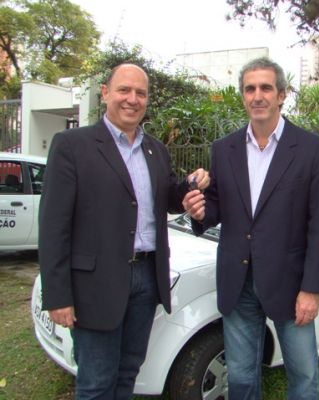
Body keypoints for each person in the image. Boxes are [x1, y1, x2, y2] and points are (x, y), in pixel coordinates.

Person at [39, 62, 209, 400]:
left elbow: (168, 199)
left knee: (129, 371)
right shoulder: (72, 145)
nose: (132, 99)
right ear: (105, 93)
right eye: (124, 90)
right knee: (96, 382)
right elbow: (53, 225)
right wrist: (57, 296)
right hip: (96, 283)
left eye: (140, 93)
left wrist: (190, 186)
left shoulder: (155, 149)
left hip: (147, 278)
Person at [183, 57, 319, 400]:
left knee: (304, 377)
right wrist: (198, 210)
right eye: (250, 89)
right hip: (238, 284)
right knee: (240, 377)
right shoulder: (224, 149)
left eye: (266, 87)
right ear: (243, 96)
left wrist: (311, 289)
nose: (257, 95)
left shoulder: (311, 149)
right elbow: (217, 208)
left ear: (281, 95)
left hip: (291, 284)